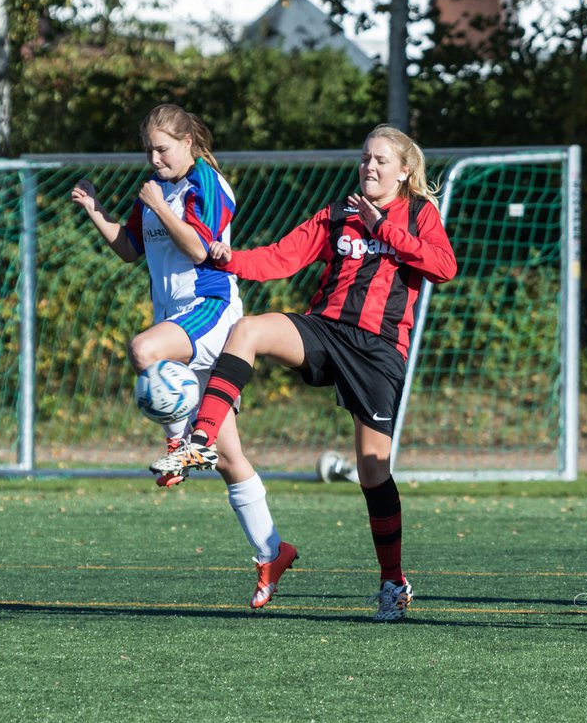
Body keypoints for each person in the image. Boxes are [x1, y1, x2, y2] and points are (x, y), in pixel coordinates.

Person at [149, 124, 457, 620]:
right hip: (325, 331)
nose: (370, 167)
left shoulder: (419, 214)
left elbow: (444, 267)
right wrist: (230, 260)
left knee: (373, 471)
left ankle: (392, 582)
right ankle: (202, 437)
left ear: (405, 171)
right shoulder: (337, 214)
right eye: (364, 158)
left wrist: (385, 229)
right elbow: (281, 258)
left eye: (381, 160)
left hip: (379, 351)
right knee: (247, 330)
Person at [71, 104, 281, 583]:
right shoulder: (154, 190)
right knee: (229, 458)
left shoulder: (207, 184)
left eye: (162, 148)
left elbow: (200, 249)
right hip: (178, 321)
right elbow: (129, 249)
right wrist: (94, 210)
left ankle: (178, 442)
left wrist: (161, 205)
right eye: (148, 149)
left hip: (210, 309)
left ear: (188, 143)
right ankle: (273, 551)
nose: (154, 158)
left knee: (144, 351)